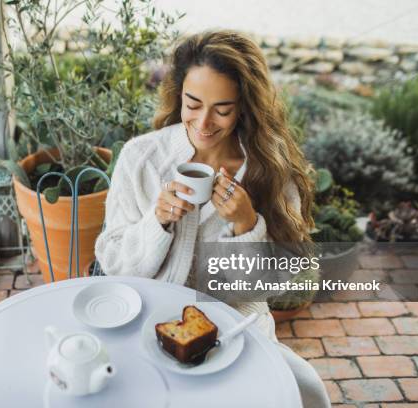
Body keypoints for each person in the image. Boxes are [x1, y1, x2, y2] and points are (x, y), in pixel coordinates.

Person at [95, 30, 330, 407]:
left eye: (222, 109)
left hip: (237, 329)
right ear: (178, 95)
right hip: (147, 324)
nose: (204, 122)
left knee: (307, 390)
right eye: (193, 103)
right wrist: (156, 223)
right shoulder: (141, 158)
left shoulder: (270, 170)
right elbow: (114, 262)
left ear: (244, 107)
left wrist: (246, 225)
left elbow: (270, 287)